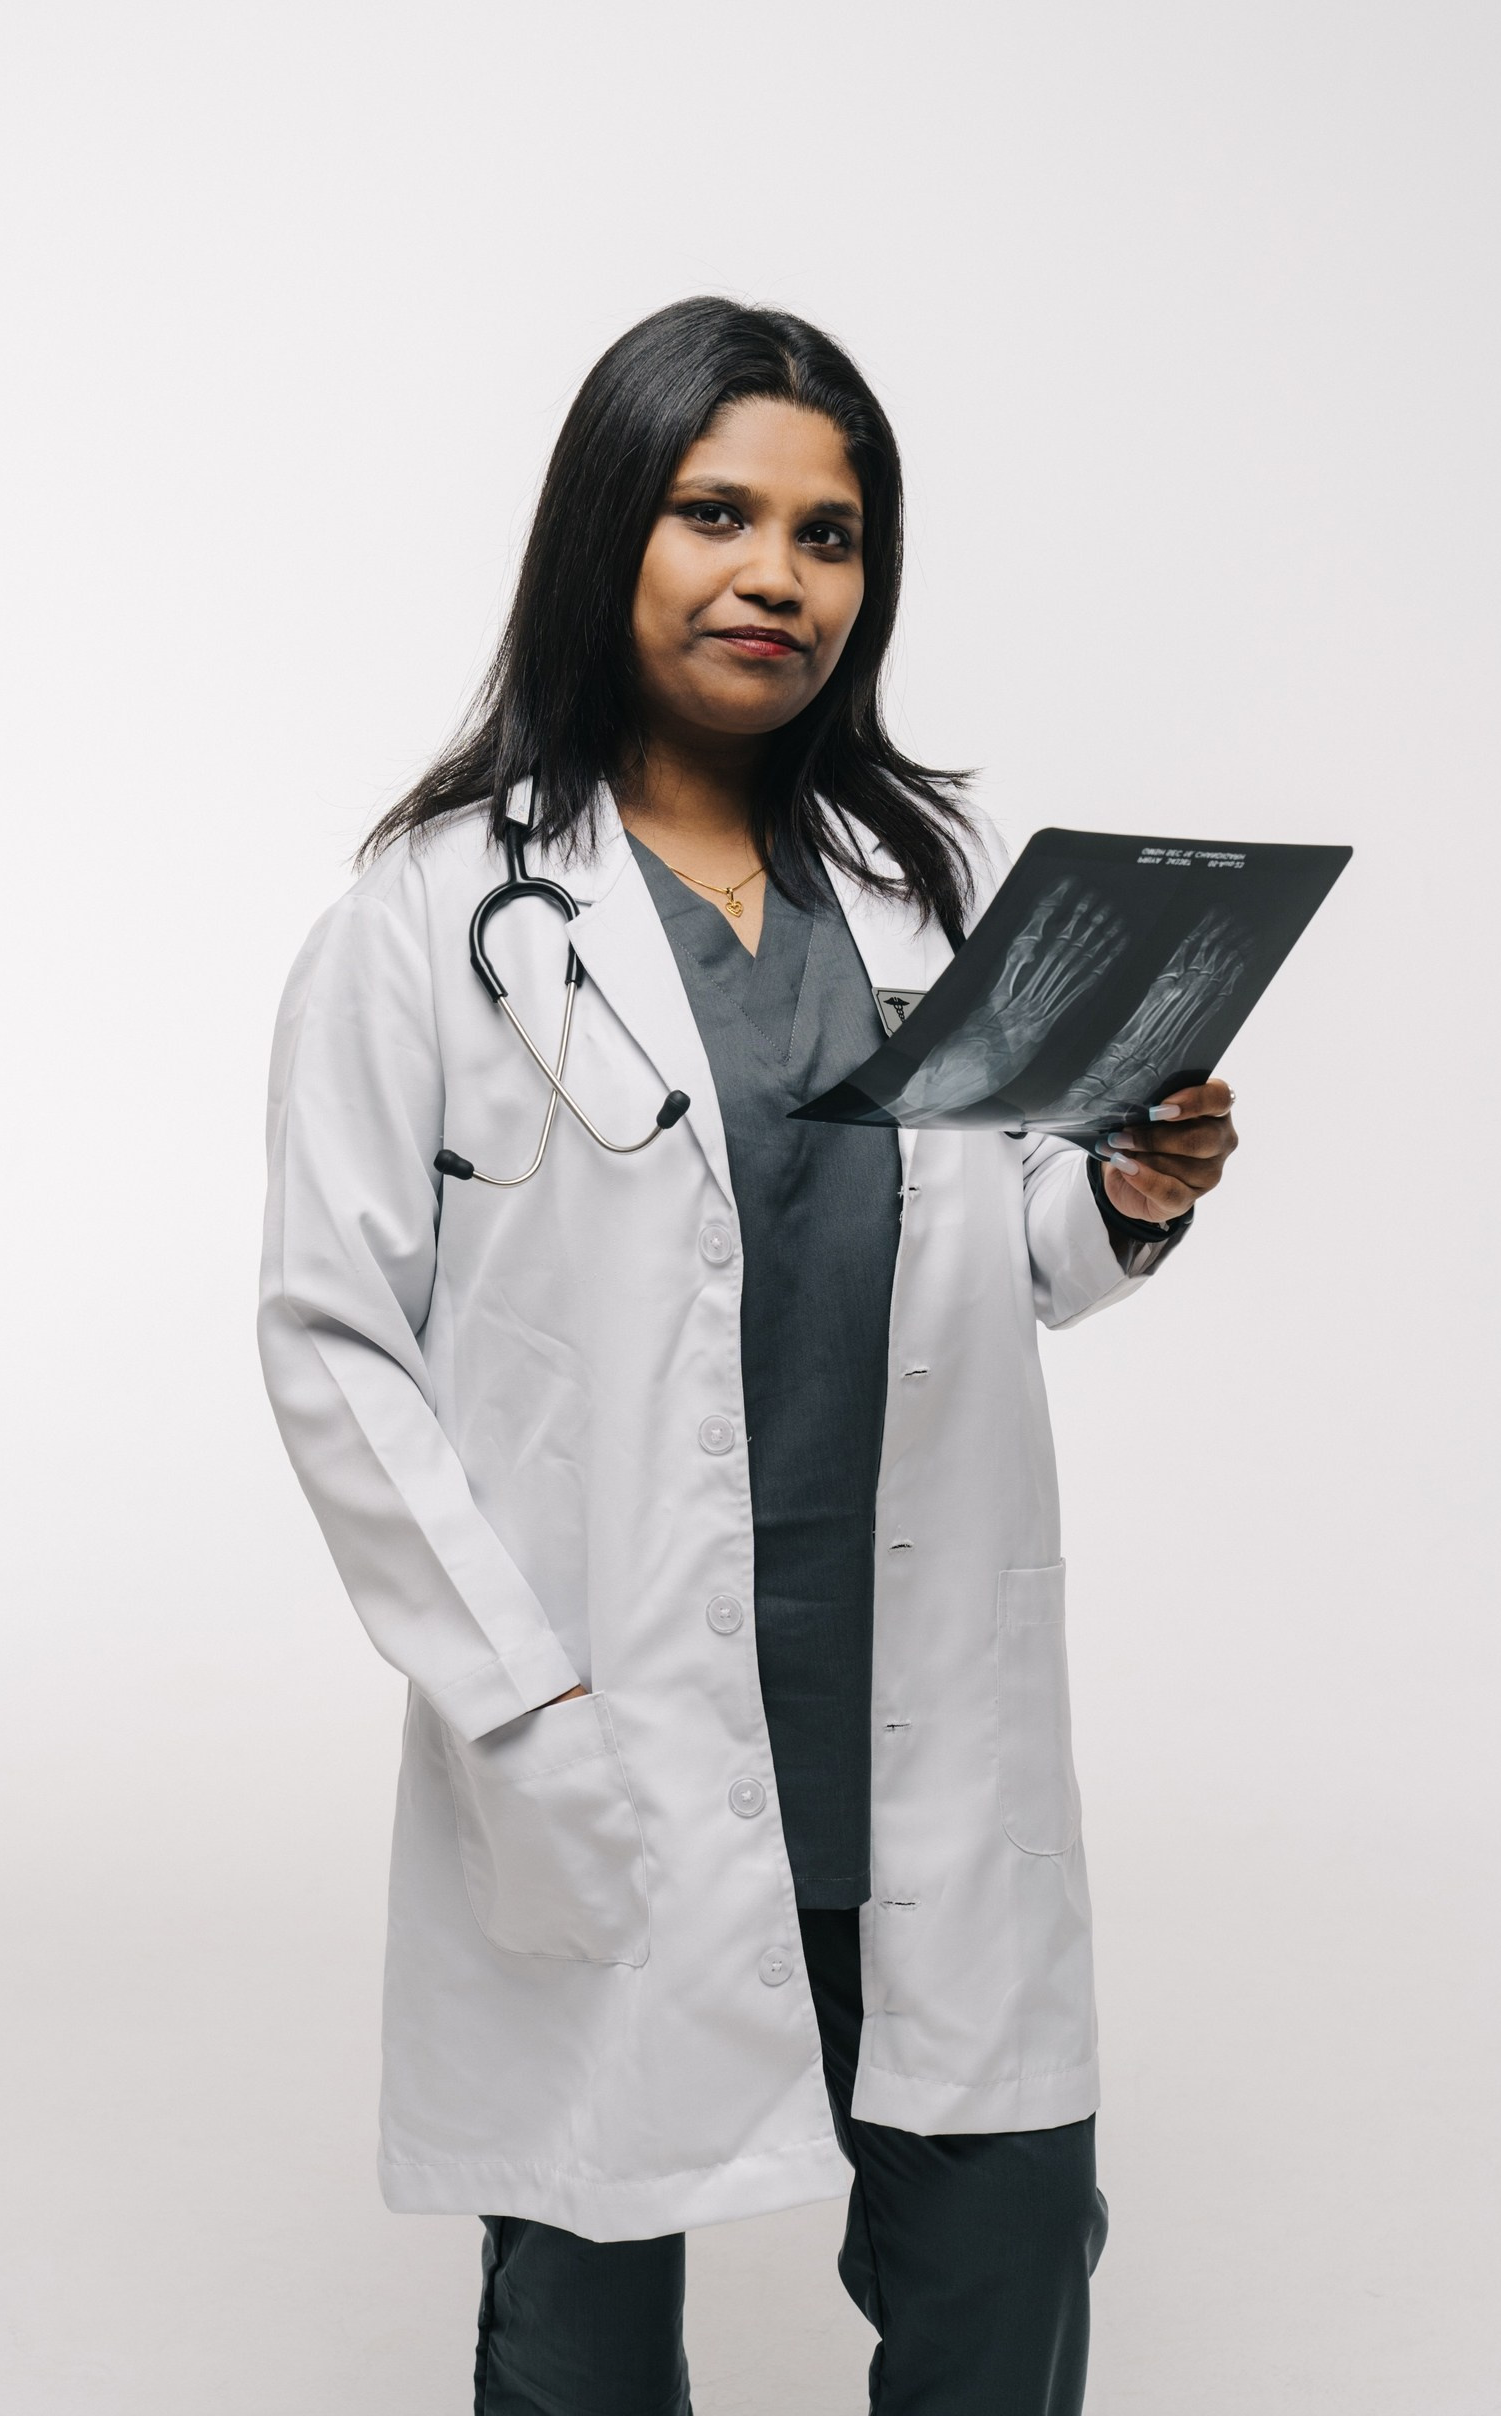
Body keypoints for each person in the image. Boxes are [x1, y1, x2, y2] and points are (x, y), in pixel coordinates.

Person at [257, 297, 1237, 2415]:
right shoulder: (433, 915)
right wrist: (512, 1688)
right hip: (605, 1707)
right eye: (716, 512)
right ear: (606, 527)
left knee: (1002, 2269)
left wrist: (1129, 1191)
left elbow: (995, 1260)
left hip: (907, 1713)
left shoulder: (922, 893)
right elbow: (334, 1341)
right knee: (586, 2327)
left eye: (829, 533)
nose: (775, 574)